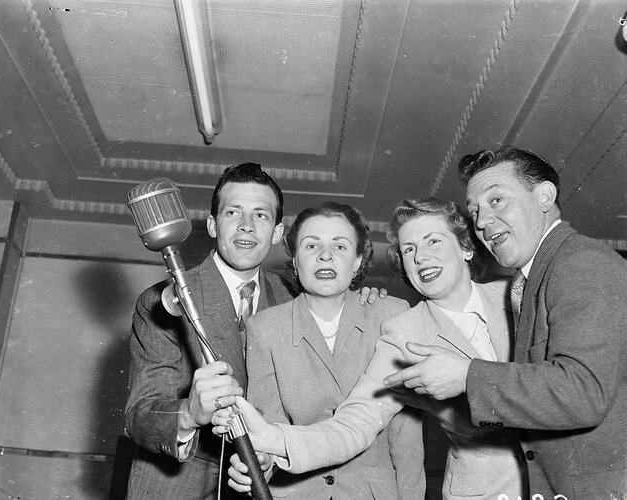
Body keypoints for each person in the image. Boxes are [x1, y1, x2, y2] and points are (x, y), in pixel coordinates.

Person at [214, 198, 527, 500]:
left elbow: (405, 441)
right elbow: (357, 421)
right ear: (294, 260)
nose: (420, 257)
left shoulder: (515, 295)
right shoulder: (404, 331)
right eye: (409, 249)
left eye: (433, 241)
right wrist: (271, 442)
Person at [123, 163, 384, 499]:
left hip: (266, 485)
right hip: (177, 484)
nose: (246, 226)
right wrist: (190, 412)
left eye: (260, 215)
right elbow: (139, 415)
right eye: (234, 212)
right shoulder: (163, 302)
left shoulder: (295, 298)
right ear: (213, 225)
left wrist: (363, 301)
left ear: (276, 232)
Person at [384, 148, 627, 499]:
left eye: (497, 200)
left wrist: (466, 375)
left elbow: (583, 392)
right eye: (476, 211)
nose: (482, 221)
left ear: (544, 196)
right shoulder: (530, 281)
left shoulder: (580, 263)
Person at [241, 202, 425, 499]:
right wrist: (263, 461)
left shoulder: (391, 315)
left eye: (340, 247)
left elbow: (406, 436)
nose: (325, 256)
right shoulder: (264, 328)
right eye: (311, 245)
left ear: (357, 261)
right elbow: (268, 429)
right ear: (296, 260)